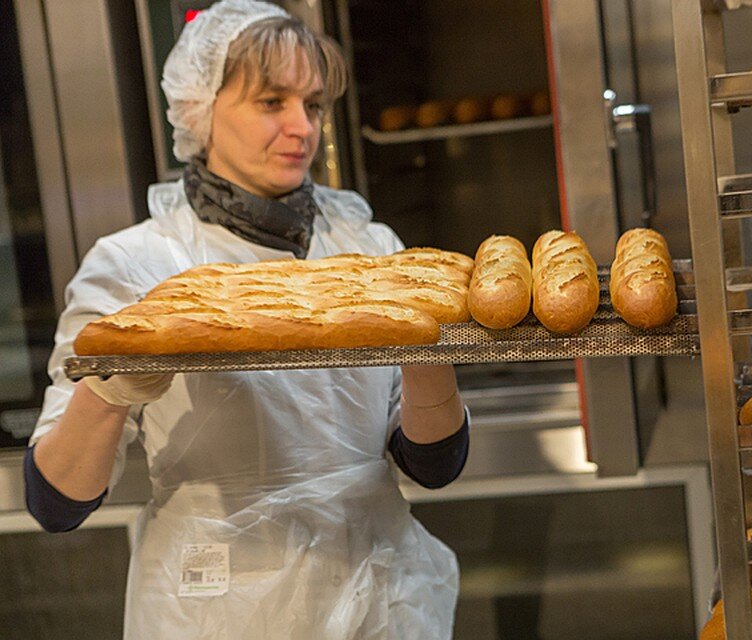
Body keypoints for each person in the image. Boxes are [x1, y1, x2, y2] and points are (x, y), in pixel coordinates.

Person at [23, 1, 469, 637]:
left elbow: (433, 466)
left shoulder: (369, 249)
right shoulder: (137, 266)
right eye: (271, 103)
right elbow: (55, 501)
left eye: (313, 105)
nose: (302, 128)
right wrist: (106, 390)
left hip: (377, 596)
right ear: (200, 113)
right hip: (218, 608)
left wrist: (430, 355)